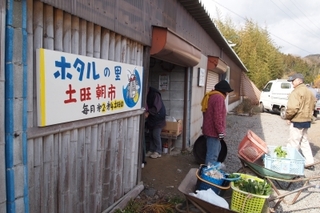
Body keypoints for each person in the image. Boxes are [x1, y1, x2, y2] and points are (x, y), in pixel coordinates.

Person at [285, 73, 316, 170]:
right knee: (304, 141)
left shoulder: (296, 92)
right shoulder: (309, 92)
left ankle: (289, 163)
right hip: (307, 120)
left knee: (293, 142)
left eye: (293, 81)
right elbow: (313, 106)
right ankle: (309, 162)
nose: (292, 83)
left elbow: (293, 108)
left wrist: (288, 117)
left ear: (299, 80)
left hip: (297, 120)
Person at [201, 80, 233, 166]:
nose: (227, 94)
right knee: (212, 156)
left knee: (215, 152)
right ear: (224, 91)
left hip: (208, 130)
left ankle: (210, 173)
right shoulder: (219, 98)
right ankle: (208, 176)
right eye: (227, 92)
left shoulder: (211, 96)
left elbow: (205, 113)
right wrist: (221, 133)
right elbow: (217, 117)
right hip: (213, 132)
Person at [145, 87, 166, 159]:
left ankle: (158, 151)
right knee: (151, 134)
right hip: (152, 118)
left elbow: (157, 107)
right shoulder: (146, 95)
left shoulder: (155, 94)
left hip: (158, 117)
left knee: (155, 134)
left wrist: (148, 112)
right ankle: (151, 150)